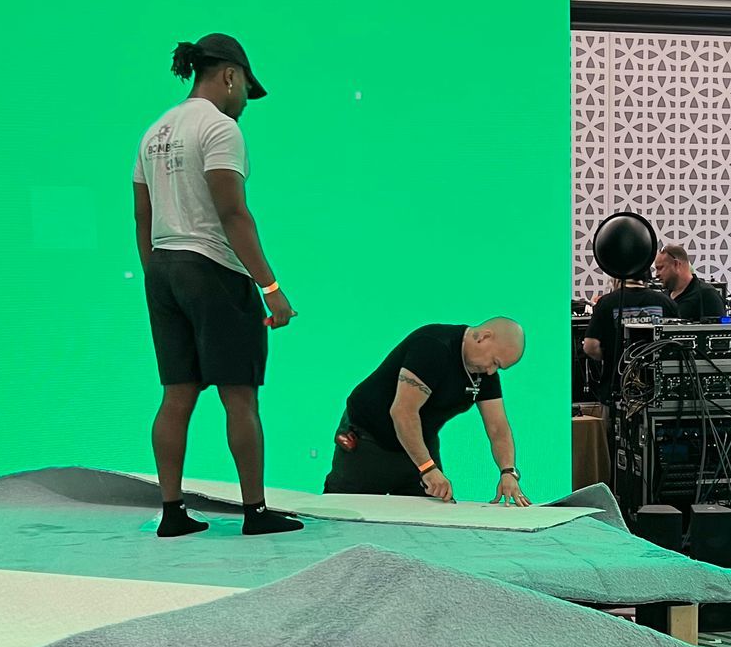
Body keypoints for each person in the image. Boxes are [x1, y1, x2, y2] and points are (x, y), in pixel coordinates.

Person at [133, 32, 303, 539]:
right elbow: (232, 212)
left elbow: (142, 216)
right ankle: (255, 512)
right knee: (239, 397)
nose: (246, 102)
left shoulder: (154, 131)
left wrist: (158, 277)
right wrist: (270, 287)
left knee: (176, 395)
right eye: (247, 89)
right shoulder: (219, 128)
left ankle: (172, 512)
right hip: (213, 271)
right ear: (230, 76)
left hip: (163, 267)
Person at [326, 320, 530, 504]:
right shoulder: (433, 346)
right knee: (343, 514)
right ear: (483, 337)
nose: (492, 371)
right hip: (369, 439)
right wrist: (428, 468)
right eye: (495, 362)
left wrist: (508, 472)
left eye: (499, 368)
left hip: (419, 443)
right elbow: (403, 412)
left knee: (435, 515)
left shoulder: (483, 373)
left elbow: (498, 428)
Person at [582, 277, 676, 406]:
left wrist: (612, 356)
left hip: (616, 389)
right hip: (658, 391)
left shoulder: (606, 302)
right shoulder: (666, 302)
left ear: (616, 278)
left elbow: (589, 347)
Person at [653, 242, 728, 323]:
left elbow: (719, 330)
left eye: (660, 268)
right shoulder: (664, 299)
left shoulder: (707, 295)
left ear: (676, 264)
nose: (656, 274)